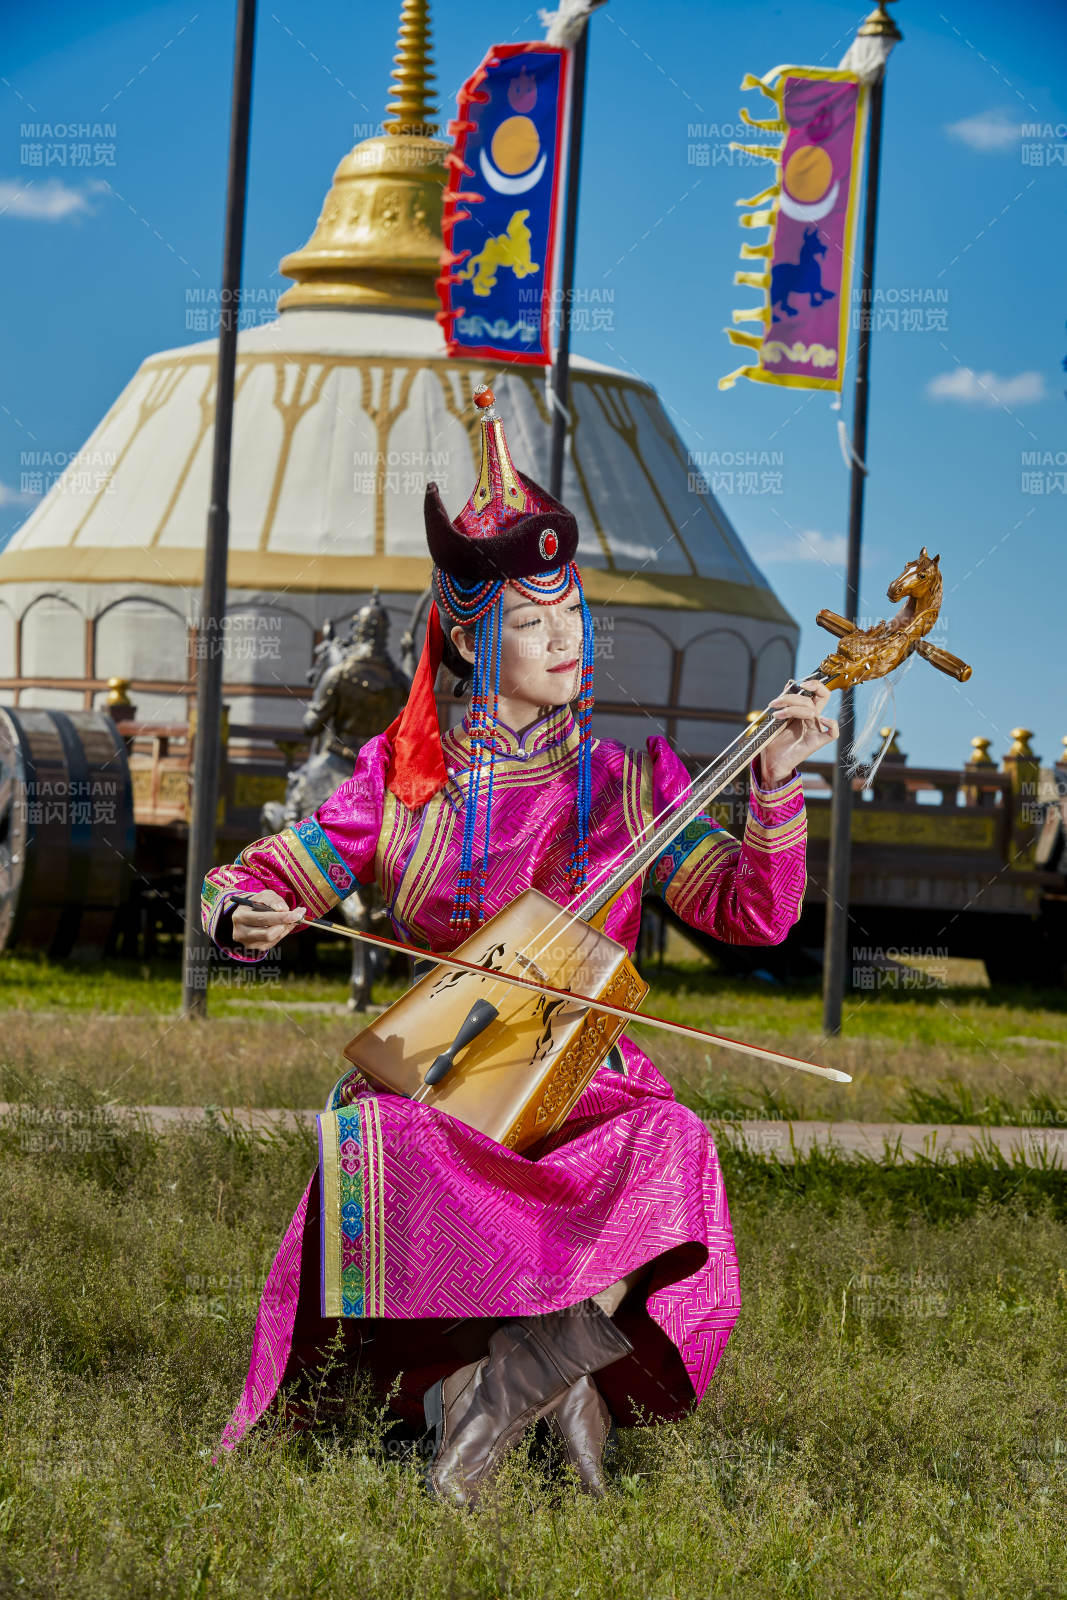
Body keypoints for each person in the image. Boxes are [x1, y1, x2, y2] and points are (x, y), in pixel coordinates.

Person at [200, 384, 837, 1507]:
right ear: (474, 635)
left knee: (674, 1142)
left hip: (586, 1073)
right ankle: (474, 1389)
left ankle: (533, 1367)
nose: (565, 640)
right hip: (453, 1074)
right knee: (389, 1140)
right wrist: (240, 911)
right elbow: (263, 876)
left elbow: (753, 916)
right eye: (536, 623)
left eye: (572, 616)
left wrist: (776, 783)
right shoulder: (402, 785)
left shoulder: (629, 781)